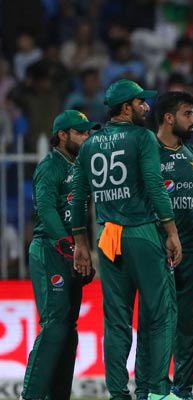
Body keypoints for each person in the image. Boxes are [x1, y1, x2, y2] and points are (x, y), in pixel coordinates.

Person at [71, 79, 183, 400]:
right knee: (161, 313)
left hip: (108, 237)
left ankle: (119, 395)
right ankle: (159, 391)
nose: (147, 108)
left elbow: (78, 196)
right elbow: (154, 183)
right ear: (125, 107)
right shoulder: (142, 137)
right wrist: (171, 231)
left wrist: (81, 243)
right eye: (140, 102)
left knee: (117, 321)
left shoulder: (90, 144)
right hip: (142, 231)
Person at [134, 91, 193, 400]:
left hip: (191, 247)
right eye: (188, 113)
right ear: (169, 118)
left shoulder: (192, 155)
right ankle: (147, 389)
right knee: (152, 321)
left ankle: (183, 390)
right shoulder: (145, 150)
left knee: (187, 324)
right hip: (155, 246)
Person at [21, 110, 99, 400]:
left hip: (72, 253)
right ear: (62, 135)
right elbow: (46, 208)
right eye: (81, 132)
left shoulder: (81, 167)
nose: (86, 137)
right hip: (50, 251)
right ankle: (30, 396)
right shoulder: (51, 164)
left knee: (68, 329)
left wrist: (83, 250)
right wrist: (69, 247)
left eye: (88, 132)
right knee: (55, 325)